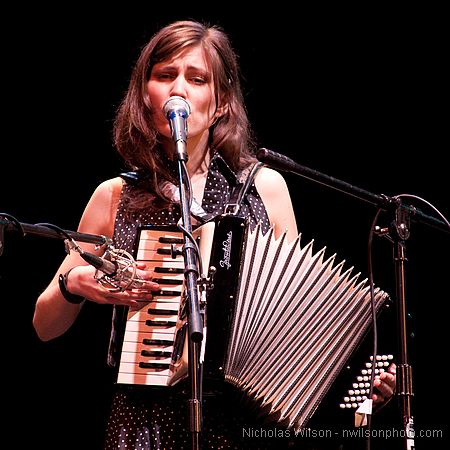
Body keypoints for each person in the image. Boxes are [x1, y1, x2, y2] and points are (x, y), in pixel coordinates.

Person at [32, 19, 396, 449]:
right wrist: (72, 286)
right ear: (145, 97)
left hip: (243, 426)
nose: (179, 89)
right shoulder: (115, 197)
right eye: (165, 75)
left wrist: (353, 388)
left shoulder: (265, 188)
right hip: (144, 424)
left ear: (220, 101)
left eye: (197, 78)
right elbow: (45, 326)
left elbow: (300, 316)